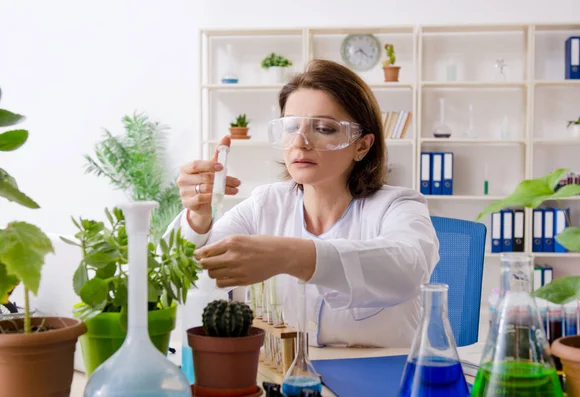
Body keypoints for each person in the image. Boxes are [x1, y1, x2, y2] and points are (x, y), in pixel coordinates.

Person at [164, 59, 440, 348]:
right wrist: (197, 218)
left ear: (362, 145)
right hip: (287, 379)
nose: (300, 142)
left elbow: (408, 268)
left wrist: (294, 256)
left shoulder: (398, 205)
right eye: (291, 126)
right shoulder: (266, 204)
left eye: (323, 128)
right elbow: (181, 277)